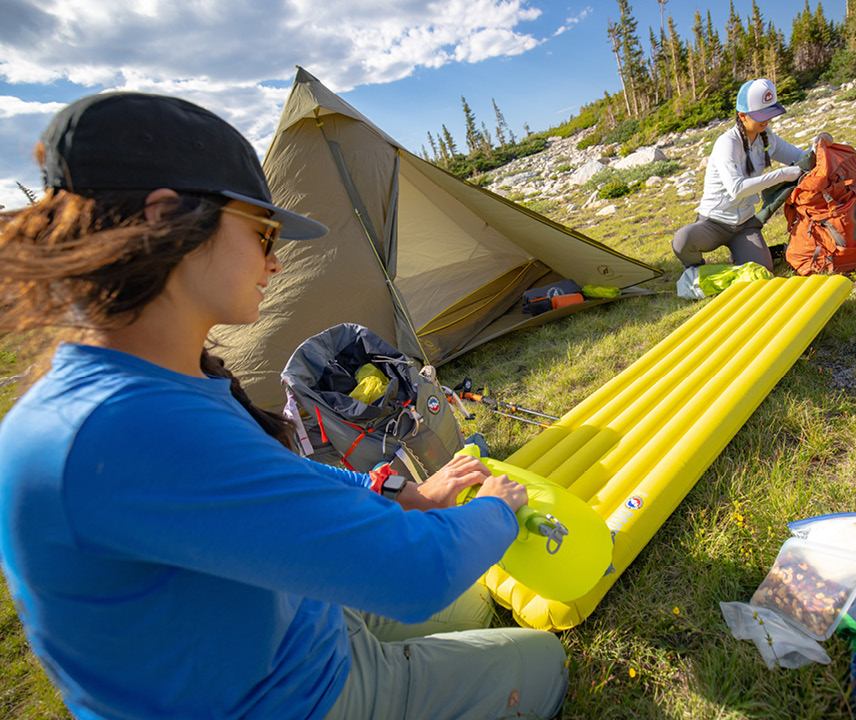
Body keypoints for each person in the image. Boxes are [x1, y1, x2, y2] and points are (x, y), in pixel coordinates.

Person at [0, 92, 568, 720]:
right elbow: (417, 574)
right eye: (262, 232)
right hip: (291, 699)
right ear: (167, 223)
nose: (273, 260)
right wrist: (493, 510)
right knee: (541, 660)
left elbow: (271, 479)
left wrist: (396, 493)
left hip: (283, 624)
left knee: (476, 606)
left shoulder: (142, 384)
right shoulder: (121, 429)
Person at [672, 78, 833, 272]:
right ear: (743, 116)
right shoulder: (727, 143)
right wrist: (783, 174)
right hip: (713, 223)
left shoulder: (766, 136)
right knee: (682, 241)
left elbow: (799, 157)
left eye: (770, 114)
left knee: (763, 271)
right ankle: (696, 269)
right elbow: (736, 189)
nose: (767, 120)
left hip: (744, 225)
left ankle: (745, 254)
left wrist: (817, 146)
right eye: (762, 115)